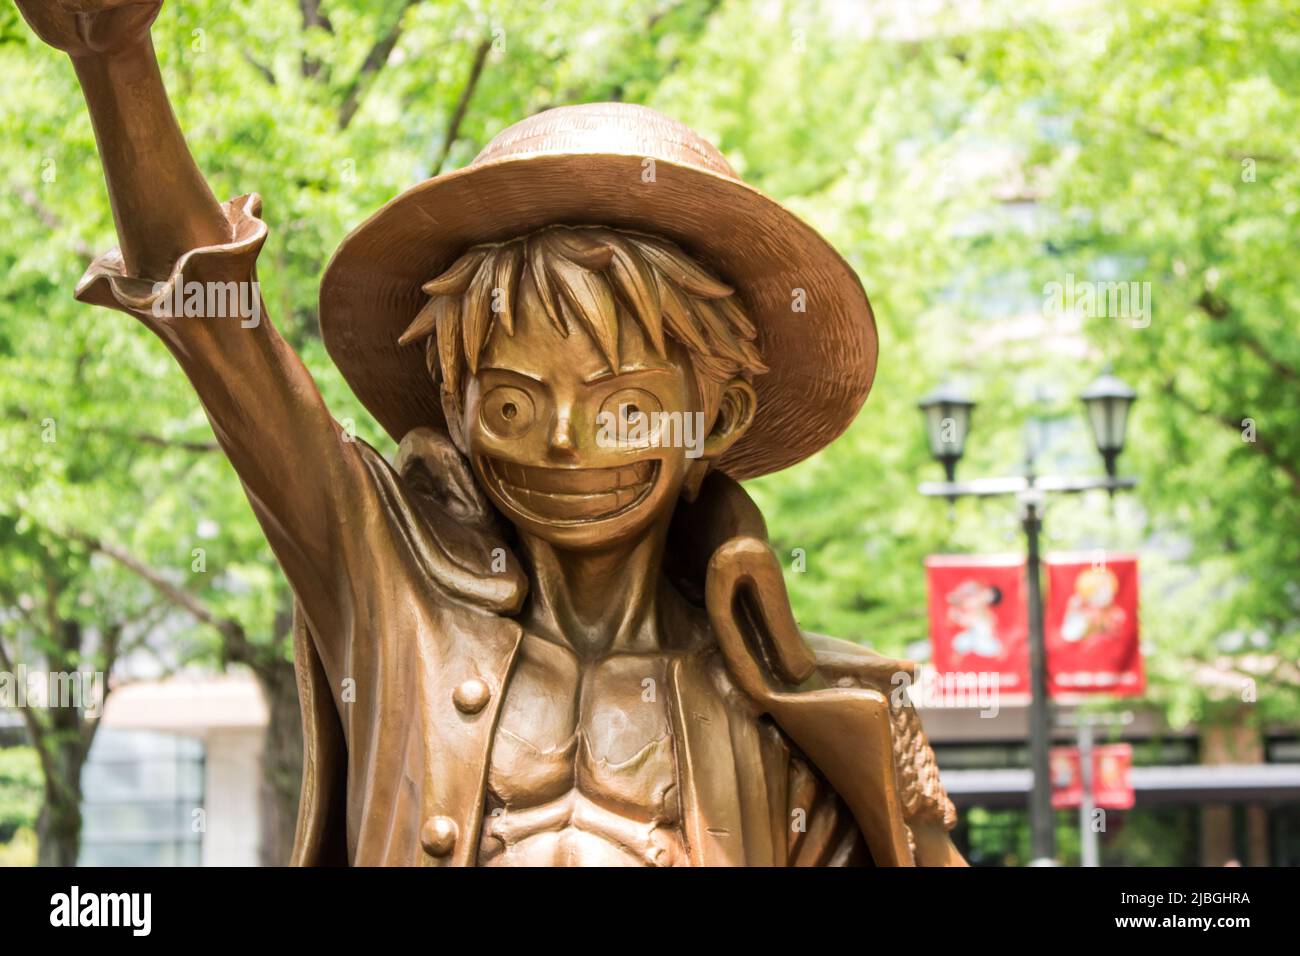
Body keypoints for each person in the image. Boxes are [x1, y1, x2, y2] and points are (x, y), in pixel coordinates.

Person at [17, 0, 964, 867]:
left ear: (714, 418)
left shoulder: (792, 722)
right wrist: (117, 57)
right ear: (458, 414)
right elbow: (222, 327)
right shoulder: (394, 601)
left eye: (625, 409)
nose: (563, 441)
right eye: (512, 404)